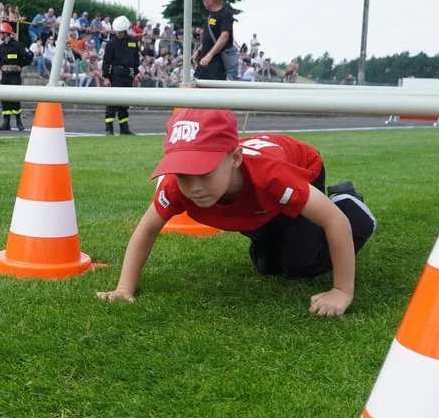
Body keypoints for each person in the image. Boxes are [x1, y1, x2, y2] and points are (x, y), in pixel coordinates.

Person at [97, 109, 377, 316]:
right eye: (183, 172)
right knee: (267, 265)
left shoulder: (272, 179)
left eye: (203, 171)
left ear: (234, 159)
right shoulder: (175, 187)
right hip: (255, 200)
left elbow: (334, 221)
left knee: (302, 264)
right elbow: (146, 230)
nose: (193, 186)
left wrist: (341, 291)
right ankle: (276, 230)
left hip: (299, 166)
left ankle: (349, 199)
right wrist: (124, 288)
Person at [102, 15, 140, 136]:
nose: (118, 34)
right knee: (112, 102)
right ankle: (109, 129)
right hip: (116, 75)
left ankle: (124, 129)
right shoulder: (111, 44)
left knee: (125, 103)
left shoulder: (133, 43)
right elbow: (106, 61)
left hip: (128, 75)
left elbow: (136, 59)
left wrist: (136, 74)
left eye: (120, 32)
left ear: (125, 31)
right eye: (116, 32)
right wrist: (106, 77)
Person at [0, 21, 31, 131]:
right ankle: (6, 122)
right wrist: (4, 69)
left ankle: (19, 122)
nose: (0, 35)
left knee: (15, 98)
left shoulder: (18, 46)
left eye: (2, 33)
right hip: (5, 76)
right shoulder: (1, 47)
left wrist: (21, 65)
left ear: (6, 34)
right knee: (4, 98)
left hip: (15, 76)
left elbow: (29, 56)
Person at [196, 0, 234, 81]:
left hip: (217, 62)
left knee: (214, 89)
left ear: (210, 0)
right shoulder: (210, 16)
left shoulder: (225, 14)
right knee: (197, 82)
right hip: (205, 60)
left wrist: (210, 55)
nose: (203, 2)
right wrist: (198, 51)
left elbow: (224, 37)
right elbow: (208, 38)